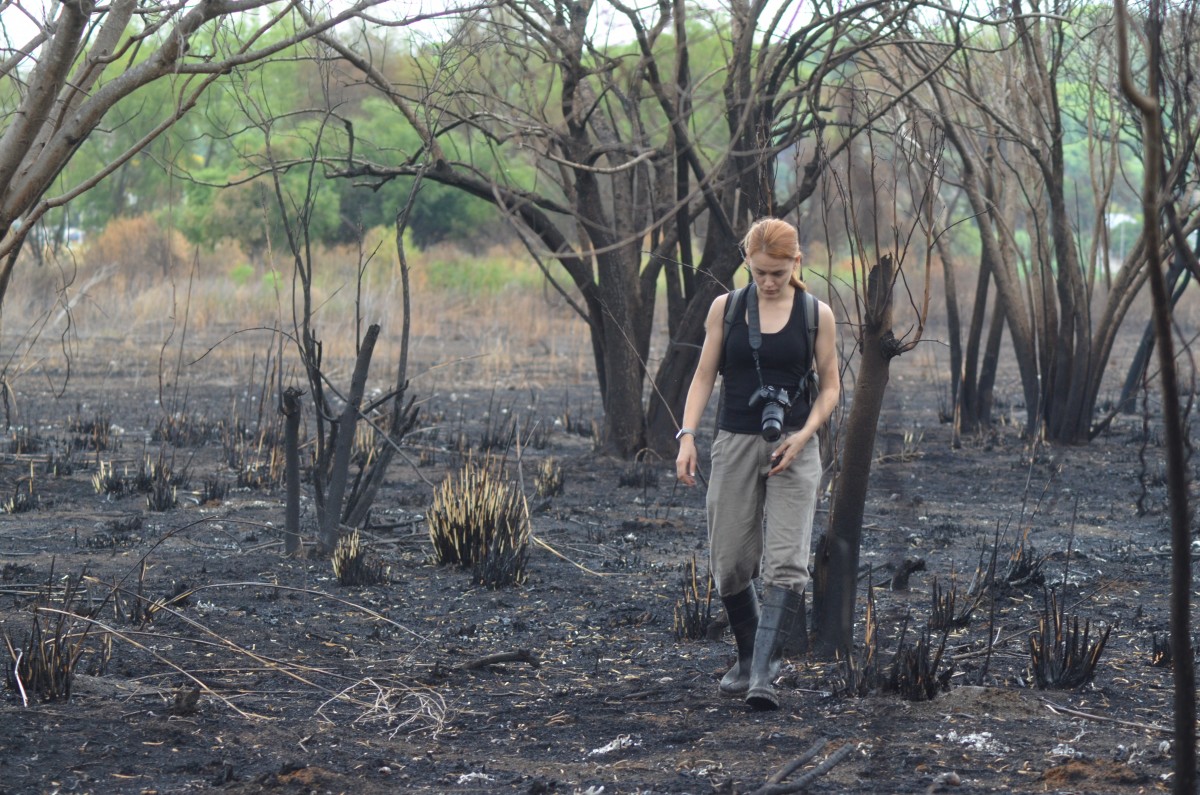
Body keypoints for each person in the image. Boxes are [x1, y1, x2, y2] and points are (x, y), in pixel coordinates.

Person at [675, 217, 840, 710]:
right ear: (746, 261)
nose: (768, 282)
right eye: (760, 271)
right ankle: (749, 659)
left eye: (778, 271)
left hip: (795, 445)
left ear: (796, 263)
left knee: (787, 562)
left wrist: (806, 434)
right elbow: (704, 375)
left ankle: (764, 676)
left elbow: (831, 385)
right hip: (735, 441)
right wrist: (687, 436)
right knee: (729, 563)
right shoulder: (726, 309)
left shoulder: (816, 314)